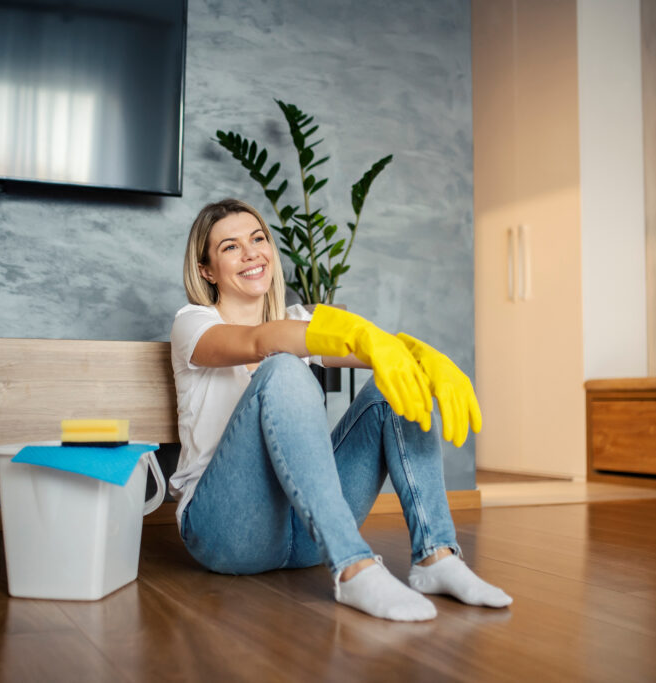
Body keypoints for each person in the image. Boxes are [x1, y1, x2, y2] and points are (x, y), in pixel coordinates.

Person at [168, 198, 511, 622]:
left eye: (258, 239)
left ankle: (436, 556)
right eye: (230, 247)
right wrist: (345, 333)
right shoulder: (193, 324)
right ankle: (353, 567)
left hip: (306, 533)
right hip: (226, 531)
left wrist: (422, 354)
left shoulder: (296, 319)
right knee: (283, 365)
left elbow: (366, 349)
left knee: (392, 382)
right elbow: (260, 341)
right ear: (206, 270)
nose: (251, 252)